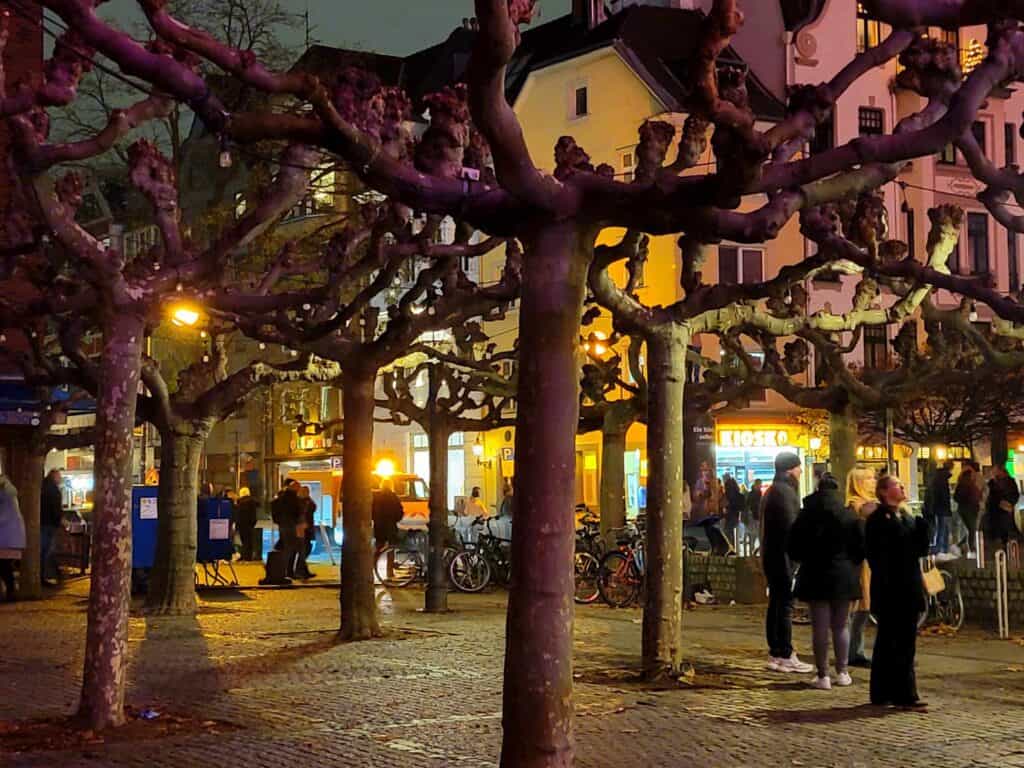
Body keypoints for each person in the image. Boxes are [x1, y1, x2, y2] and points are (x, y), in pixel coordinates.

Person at [788, 472, 865, 690]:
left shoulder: (806, 514)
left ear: (817, 489)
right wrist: (851, 564)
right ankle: (843, 671)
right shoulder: (849, 515)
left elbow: (793, 546)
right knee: (841, 625)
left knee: (819, 627)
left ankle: (823, 675)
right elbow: (861, 547)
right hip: (843, 575)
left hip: (815, 574)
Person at [865, 475, 930, 710]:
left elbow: (917, 550)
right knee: (889, 641)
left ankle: (902, 691)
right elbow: (881, 554)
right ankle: (890, 691)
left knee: (905, 642)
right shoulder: (878, 520)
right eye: (896, 485)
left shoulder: (906, 517)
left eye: (902, 484)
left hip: (909, 586)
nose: (902, 487)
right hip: (891, 588)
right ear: (883, 492)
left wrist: (923, 529)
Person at [761, 452, 814, 674]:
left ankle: (776, 652)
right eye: (798, 468)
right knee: (784, 606)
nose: (801, 472)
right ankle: (785, 653)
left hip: (773, 557)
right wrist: (798, 556)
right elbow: (791, 529)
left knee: (776, 604)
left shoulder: (773, 491)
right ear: (790, 469)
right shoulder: (786, 493)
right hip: (783, 559)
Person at [845, 467, 878, 668]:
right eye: (868, 478)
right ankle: (852, 652)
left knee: (864, 606)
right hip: (860, 563)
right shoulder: (856, 505)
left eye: (873, 477)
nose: (873, 481)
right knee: (857, 607)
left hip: (869, 562)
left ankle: (855, 650)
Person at [984, 463, 1021, 552]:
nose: (994, 473)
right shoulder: (993, 482)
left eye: (995, 471)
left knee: (1006, 528)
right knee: (1000, 529)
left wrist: (1008, 503)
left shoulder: (1008, 481)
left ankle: (1008, 546)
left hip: (1004, 509)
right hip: (995, 509)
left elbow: (1013, 494)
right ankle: (1003, 545)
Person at [270, 479, 302, 578]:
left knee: (285, 546)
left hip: (283, 525)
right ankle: (288, 571)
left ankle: (283, 569)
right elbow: (297, 511)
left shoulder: (281, 497)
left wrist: (277, 520)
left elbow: (273, 505)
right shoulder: (293, 498)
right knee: (291, 548)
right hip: (290, 525)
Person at [0, 473, 24, 602]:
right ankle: (11, 592)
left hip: (5, 537)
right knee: (4, 565)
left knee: (3, 565)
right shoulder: (8, 491)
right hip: (9, 536)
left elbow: (3, 517)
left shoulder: (4, 493)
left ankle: (11, 592)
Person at [40, 469, 63, 586]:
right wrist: (59, 521)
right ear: (54, 476)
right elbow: (55, 509)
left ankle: (49, 574)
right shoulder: (53, 490)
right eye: (59, 476)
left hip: (43, 522)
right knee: (47, 550)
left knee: (45, 550)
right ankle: (46, 575)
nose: (61, 479)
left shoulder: (42, 487)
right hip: (49, 524)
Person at [954, 461, 982, 556]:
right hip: (970, 509)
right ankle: (970, 549)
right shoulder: (969, 485)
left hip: (965, 509)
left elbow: (956, 497)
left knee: (971, 529)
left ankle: (962, 546)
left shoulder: (962, 484)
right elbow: (976, 496)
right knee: (972, 529)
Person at [926, 461, 953, 554]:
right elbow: (944, 495)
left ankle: (941, 549)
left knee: (941, 528)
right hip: (942, 508)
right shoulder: (942, 479)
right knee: (942, 529)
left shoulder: (937, 478)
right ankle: (941, 549)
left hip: (938, 508)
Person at [372, 480, 404, 550]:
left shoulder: (377, 497)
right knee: (391, 547)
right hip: (391, 526)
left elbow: (372, 510)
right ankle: (390, 561)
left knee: (379, 546)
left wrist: (375, 519)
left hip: (379, 526)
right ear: (391, 486)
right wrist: (395, 519)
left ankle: (375, 560)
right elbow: (400, 511)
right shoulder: (394, 497)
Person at [294, 486, 316, 579]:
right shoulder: (302, 502)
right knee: (304, 550)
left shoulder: (306, 501)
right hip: (304, 528)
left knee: (305, 549)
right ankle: (300, 570)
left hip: (307, 527)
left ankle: (303, 570)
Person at [234, 486, 259, 561]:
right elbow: (253, 515)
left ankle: (244, 556)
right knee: (249, 541)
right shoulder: (253, 502)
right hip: (250, 525)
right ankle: (248, 557)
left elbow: (238, 515)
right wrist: (253, 523)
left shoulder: (240, 502)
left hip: (242, 524)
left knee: (243, 541)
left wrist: (237, 525)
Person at [722, 474, 744, 549]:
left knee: (727, 531)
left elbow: (730, 499)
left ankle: (730, 547)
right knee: (730, 531)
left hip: (731, 512)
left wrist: (727, 506)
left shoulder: (728, 486)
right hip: (735, 513)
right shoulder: (733, 485)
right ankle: (732, 547)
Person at [744, 479, 764, 553]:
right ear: (756, 485)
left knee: (756, 534)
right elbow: (749, 505)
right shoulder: (753, 494)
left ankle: (754, 550)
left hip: (757, 517)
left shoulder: (757, 493)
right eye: (759, 485)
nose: (760, 486)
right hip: (753, 517)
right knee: (755, 534)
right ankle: (753, 551)